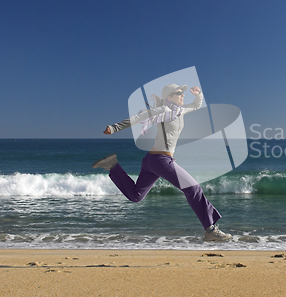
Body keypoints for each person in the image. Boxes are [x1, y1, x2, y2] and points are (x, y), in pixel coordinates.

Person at [92, 83, 232, 241]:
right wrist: (114, 128)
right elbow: (138, 117)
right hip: (161, 160)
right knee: (193, 188)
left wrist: (198, 94)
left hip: (152, 161)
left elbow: (195, 105)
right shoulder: (163, 110)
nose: (182, 95)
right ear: (169, 97)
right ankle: (210, 230)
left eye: (182, 92)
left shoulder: (180, 110)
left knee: (136, 196)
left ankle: (112, 165)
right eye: (179, 93)